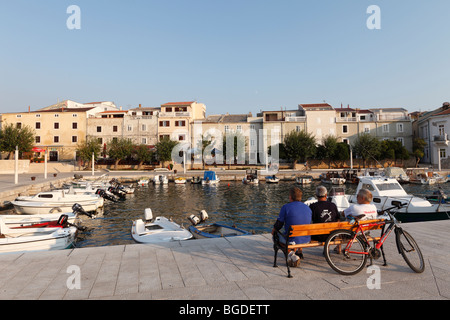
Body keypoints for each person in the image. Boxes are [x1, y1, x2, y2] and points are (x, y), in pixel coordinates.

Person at [272, 186, 312, 266]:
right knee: (297, 231)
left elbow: (279, 224)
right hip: (306, 238)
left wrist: (273, 230)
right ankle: (299, 251)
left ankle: (291, 255)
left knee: (275, 236)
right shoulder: (307, 208)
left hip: (292, 239)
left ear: (290, 197)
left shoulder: (286, 207)